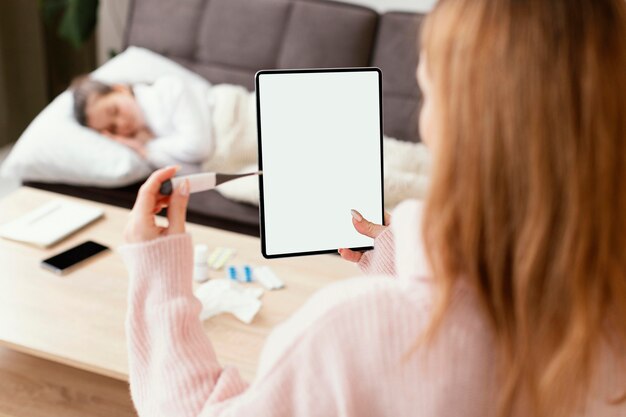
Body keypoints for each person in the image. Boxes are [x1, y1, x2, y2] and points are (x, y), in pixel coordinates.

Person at [119, 0, 626, 416]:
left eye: (428, 95)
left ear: (465, 122)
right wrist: (395, 264)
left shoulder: (351, 333)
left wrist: (159, 273)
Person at [70, 75, 214, 169]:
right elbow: (191, 175)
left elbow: (198, 147)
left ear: (120, 89)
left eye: (115, 110)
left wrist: (149, 144)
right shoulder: (144, 142)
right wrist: (143, 150)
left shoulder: (169, 89)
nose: (121, 123)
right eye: (113, 129)